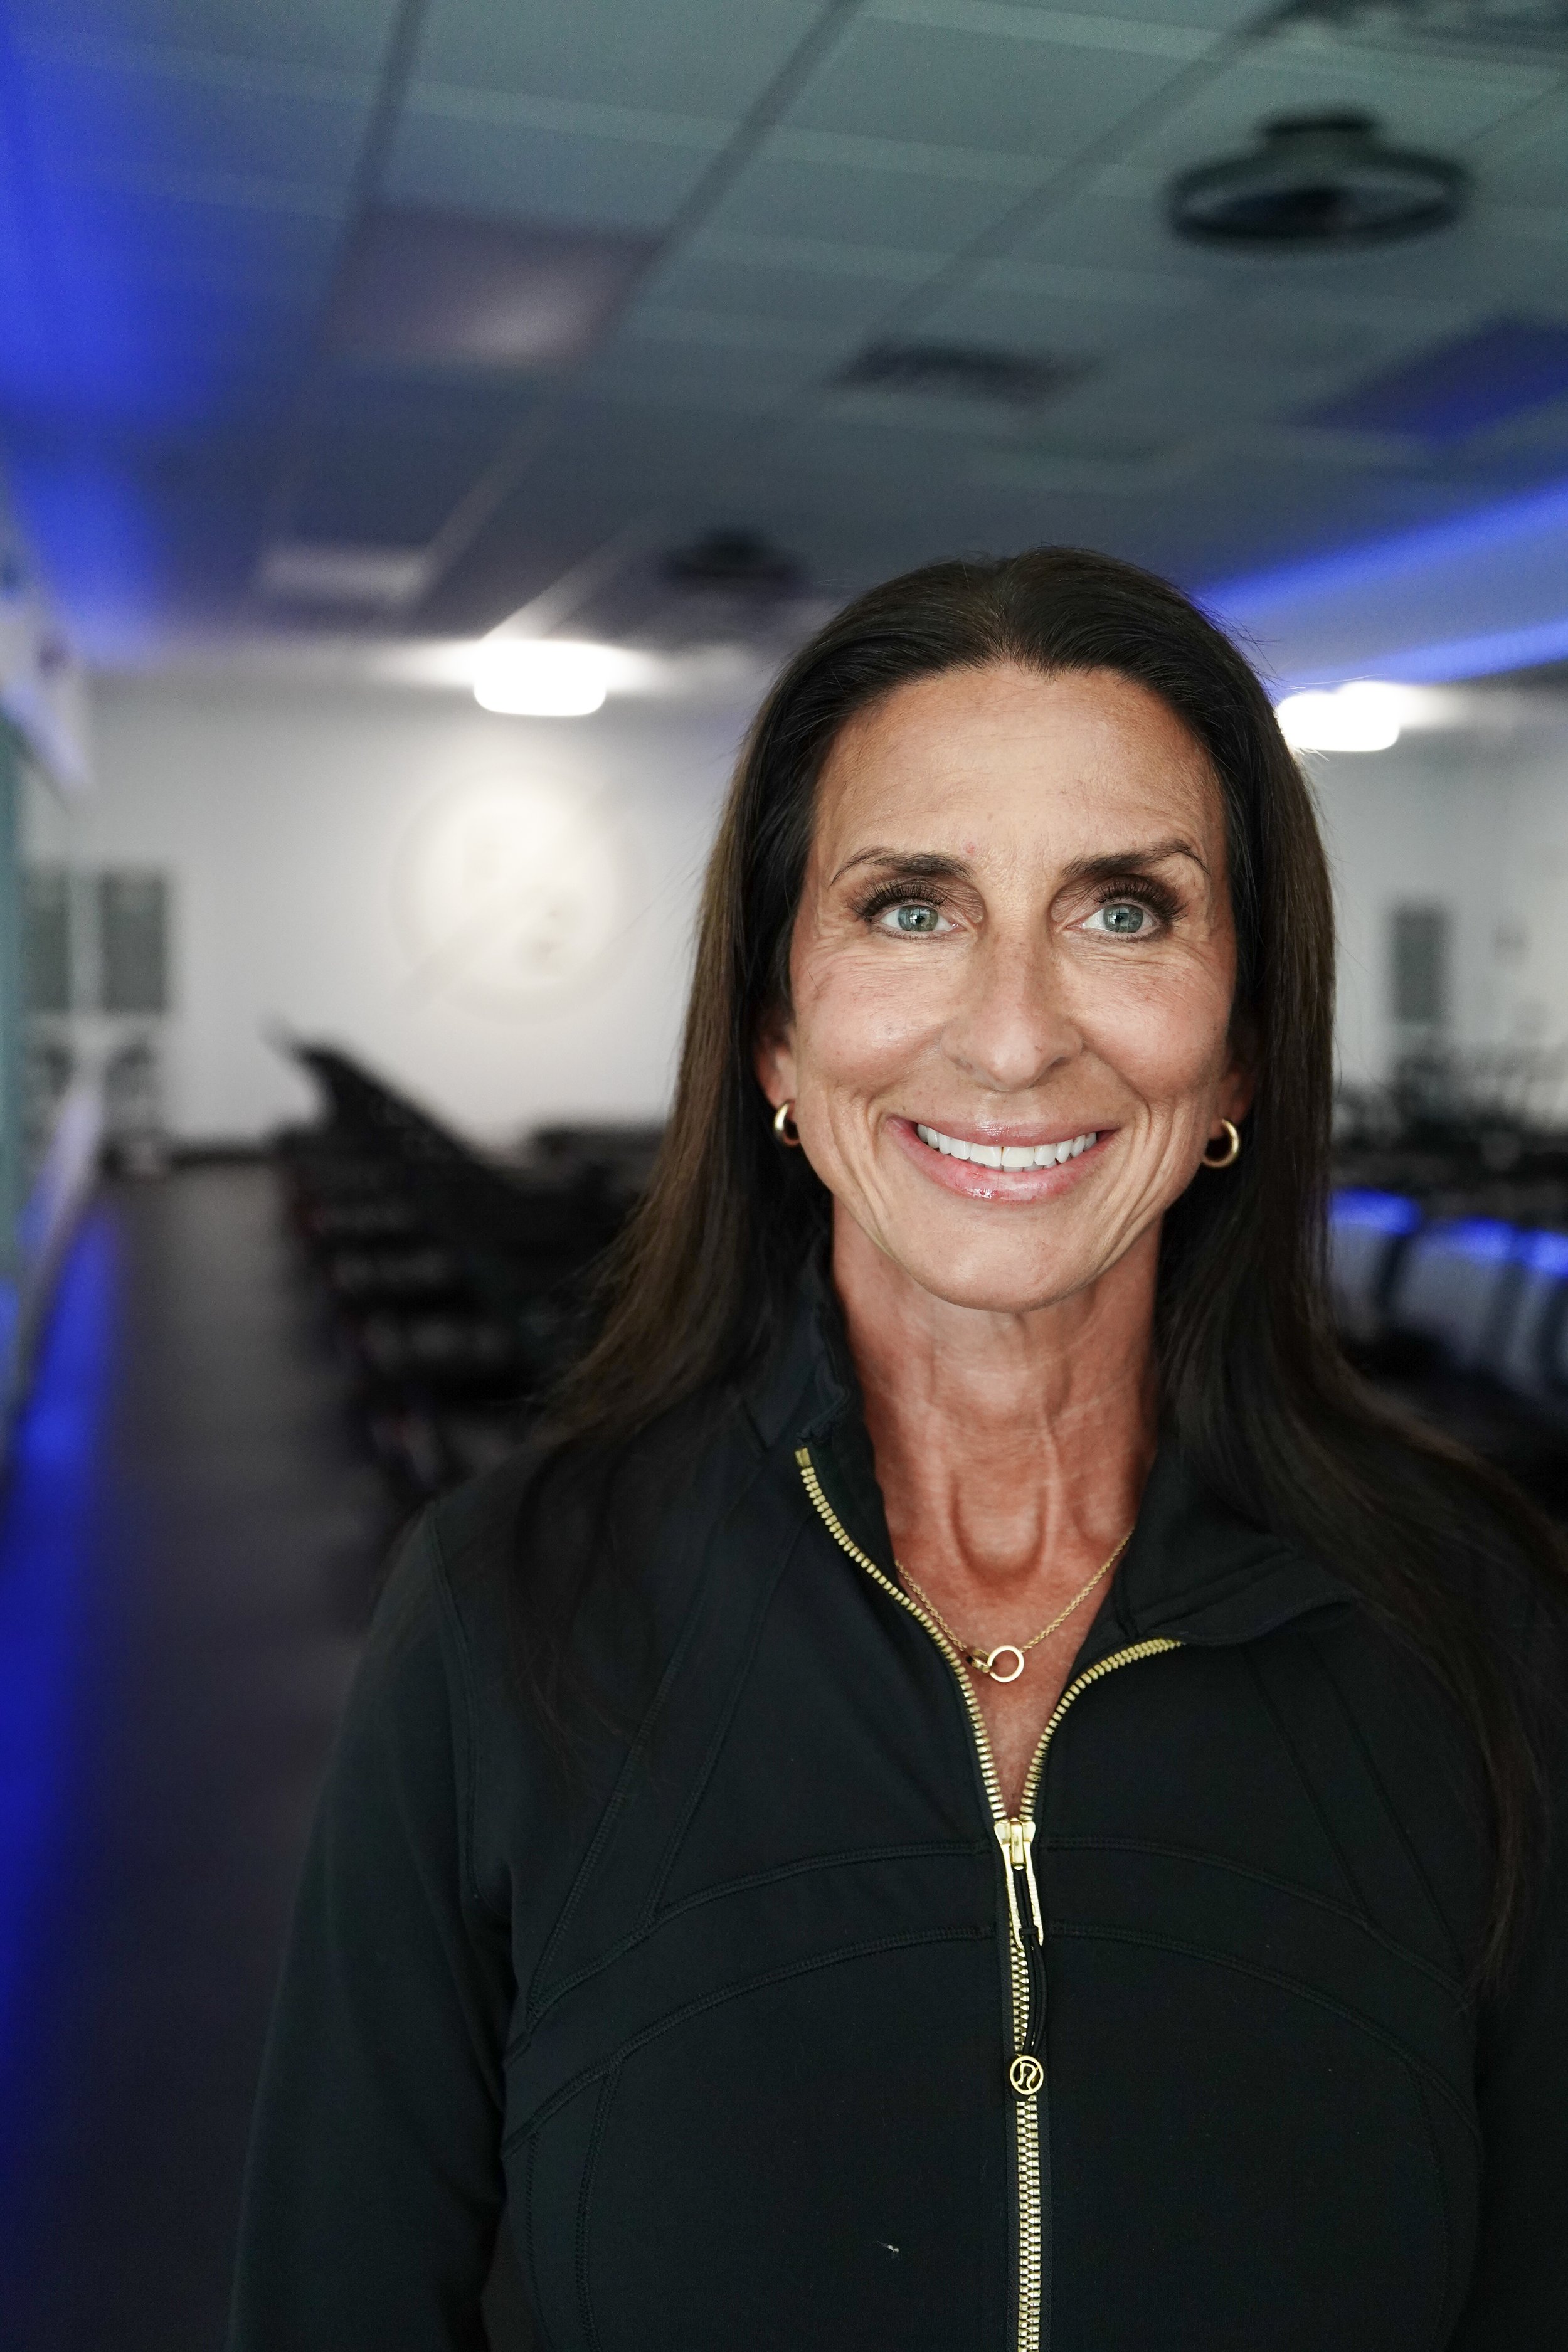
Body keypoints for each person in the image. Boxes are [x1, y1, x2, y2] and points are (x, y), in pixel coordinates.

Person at [231, 549, 1568, 2352]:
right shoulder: (502, 1616)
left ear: (1242, 1043)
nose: (1012, 1034)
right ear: (775, 1029)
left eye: (1122, 911)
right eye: (908, 908)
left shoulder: (1478, 1624)